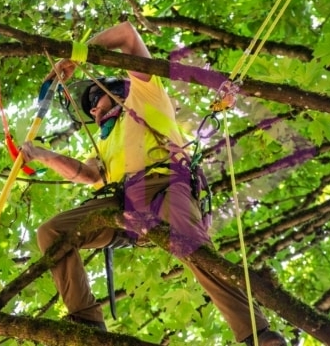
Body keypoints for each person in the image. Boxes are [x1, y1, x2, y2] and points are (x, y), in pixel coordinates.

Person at [21, 22, 286, 345]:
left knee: (193, 246)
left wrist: (77, 57)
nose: (93, 109)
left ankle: (257, 334)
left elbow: (127, 35)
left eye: (98, 100)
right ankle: (86, 322)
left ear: (120, 94)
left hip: (165, 186)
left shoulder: (146, 97)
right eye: (91, 106)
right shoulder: (105, 145)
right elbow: (88, 175)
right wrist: (40, 153)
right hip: (120, 204)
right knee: (51, 232)